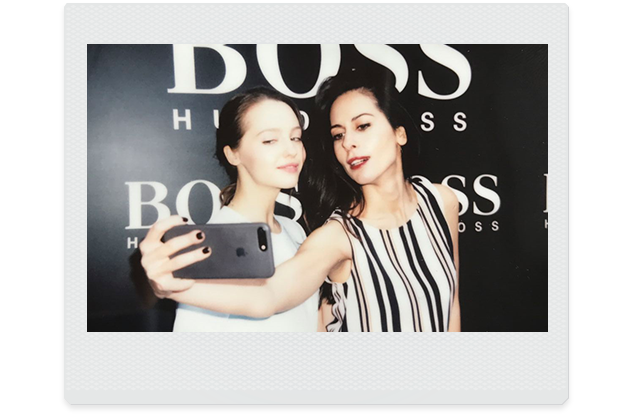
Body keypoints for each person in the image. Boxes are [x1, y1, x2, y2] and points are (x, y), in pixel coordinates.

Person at [146, 68, 461, 332]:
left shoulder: (440, 202)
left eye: (295, 137)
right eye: (338, 135)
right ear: (233, 153)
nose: (349, 143)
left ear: (400, 133)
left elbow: (452, 303)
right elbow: (268, 297)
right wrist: (171, 287)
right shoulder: (337, 236)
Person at [139, 87, 319, 332]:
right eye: (270, 140)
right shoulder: (210, 247)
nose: (291, 150)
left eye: (295, 137)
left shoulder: (294, 230)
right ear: (233, 154)